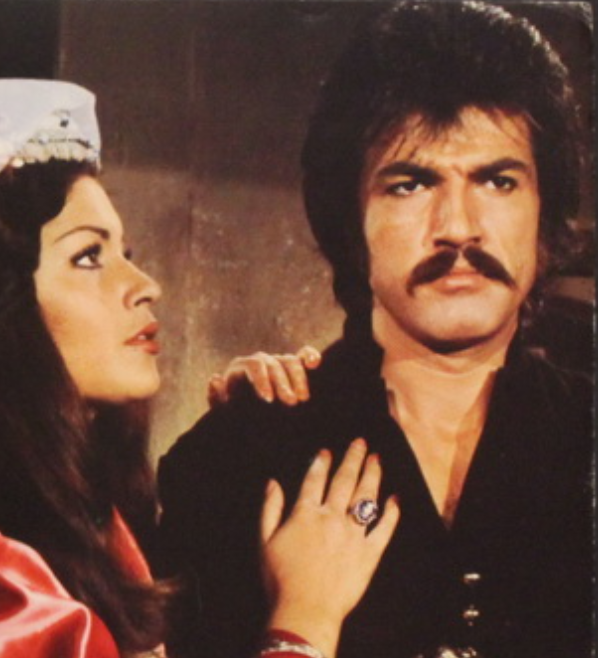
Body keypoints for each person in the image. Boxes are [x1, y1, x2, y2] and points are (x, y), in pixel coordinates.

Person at [0, 72, 401, 658]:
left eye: (125, 253)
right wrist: (304, 620)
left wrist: (245, 427)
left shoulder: (79, 519)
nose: (145, 285)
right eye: (88, 256)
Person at [157, 3, 594, 658]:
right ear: (349, 218)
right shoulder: (239, 453)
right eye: (411, 185)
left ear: (544, 211)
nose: (459, 227)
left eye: (498, 181)